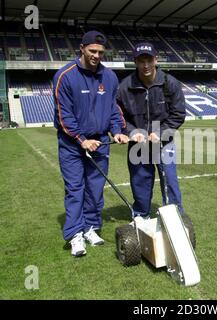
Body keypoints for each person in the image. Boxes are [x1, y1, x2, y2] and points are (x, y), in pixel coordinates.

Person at [53, 30, 129, 257]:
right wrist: (82, 140)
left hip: (101, 143)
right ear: (82, 49)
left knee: (95, 189)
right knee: (76, 189)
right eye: (92, 51)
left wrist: (117, 132)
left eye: (101, 52)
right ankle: (75, 234)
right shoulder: (65, 76)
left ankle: (91, 227)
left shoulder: (110, 77)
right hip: (72, 145)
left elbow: (114, 110)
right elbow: (63, 115)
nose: (96, 56)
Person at [116, 42, 186, 220]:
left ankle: (175, 216)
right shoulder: (124, 87)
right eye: (141, 61)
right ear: (135, 62)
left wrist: (161, 132)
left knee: (170, 180)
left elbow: (178, 114)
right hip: (138, 142)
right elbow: (118, 116)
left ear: (156, 59)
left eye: (149, 60)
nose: (145, 65)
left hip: (163, 141)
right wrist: (132, 132)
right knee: (140, 181)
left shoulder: (170, 83)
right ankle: (141, 215)